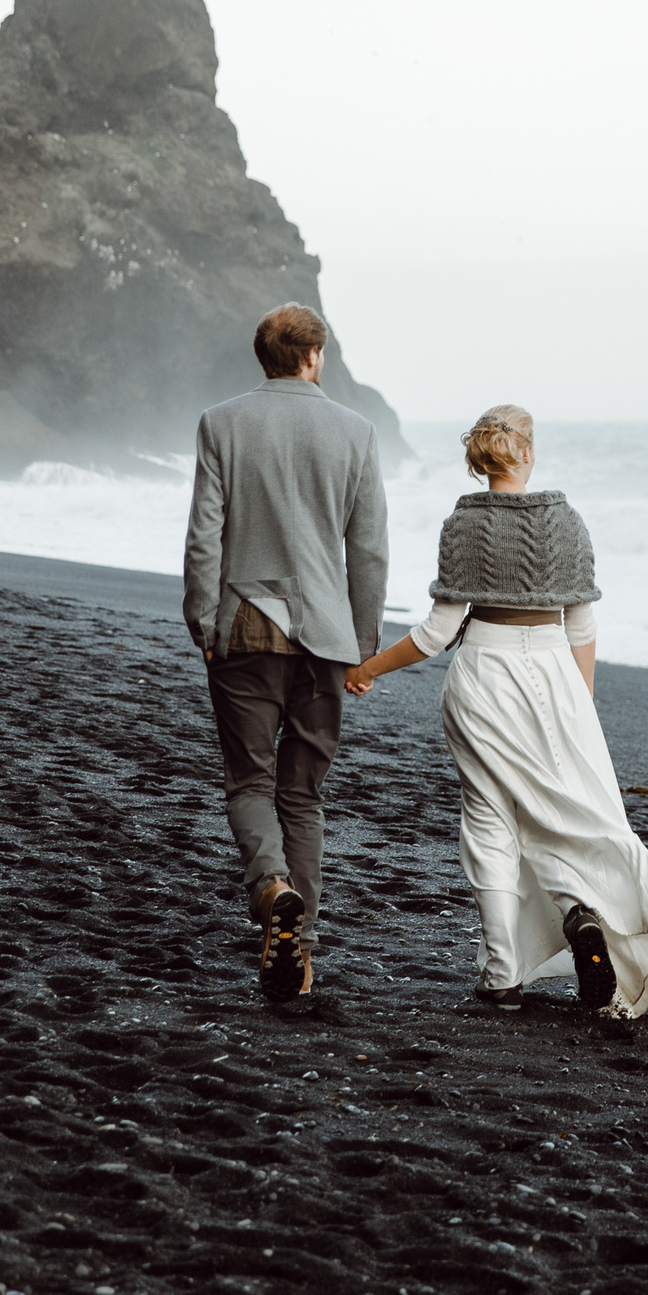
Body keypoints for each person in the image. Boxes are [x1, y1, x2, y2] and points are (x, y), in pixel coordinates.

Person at [345, 406, 648, 1022]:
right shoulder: (566, 521)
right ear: (528, 453)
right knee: (564, 815)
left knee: (490, 818)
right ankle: (581, 915)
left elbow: (438, 633)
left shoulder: (462, 525)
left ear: (481, 459)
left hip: (483, 677)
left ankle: (501, 976)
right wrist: (582, 703)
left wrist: (366, 670)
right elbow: (584, 624)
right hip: (554, 679)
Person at [183, 304, 388, 1006]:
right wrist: (364, 643)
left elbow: (204, 535)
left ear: (265, 356)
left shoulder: (222, 422)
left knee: (249, 782)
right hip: (328, 635)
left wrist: (201, 619)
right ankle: (299, 961)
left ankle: (272, 887)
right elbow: (368, 549)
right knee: (303, 794)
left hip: (243, 623)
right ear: (314, 357)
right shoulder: (357, 432)